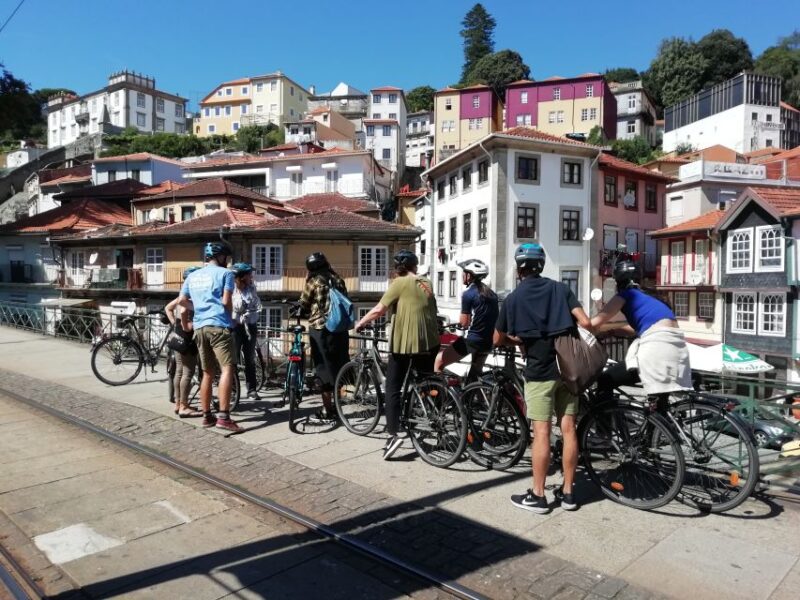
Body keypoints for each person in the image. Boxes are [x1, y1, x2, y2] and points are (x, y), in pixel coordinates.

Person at [495, 243, 591, 514]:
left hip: (539, 373)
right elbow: (584, 321)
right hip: (568, 370)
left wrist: (519, 340)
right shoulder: (562, 290)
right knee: (569, 428)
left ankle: (538, 496)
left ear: (519, 268)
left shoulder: (513, 299)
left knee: (542, 433)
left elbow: (497, 338)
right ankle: (569, 493)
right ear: (540, 266)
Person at [355, 250, 439, 460]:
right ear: (414, 266)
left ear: (398, 268)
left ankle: (393, 435)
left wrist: (360, 323)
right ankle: (438, 423)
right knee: (427, 384)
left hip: (405, 344)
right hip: (429, 342)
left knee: (392, 388)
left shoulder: (399, 283)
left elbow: (379, 309)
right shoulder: (426, 282)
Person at [591, 255, 692, 401]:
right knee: (659, 408)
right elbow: (645, 327)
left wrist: (574, 326)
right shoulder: (653, 298)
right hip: (677, 352)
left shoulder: (626, 295)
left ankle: (608, 422)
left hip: (656, 351)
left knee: (606, 379)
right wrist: (612, 332)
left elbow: (595, 322)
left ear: (618, 282)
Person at [177, 240, 242, 433]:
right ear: (221, 257)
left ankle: (207, 416)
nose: (227, 261)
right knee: (227, 369)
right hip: (218, 326)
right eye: (226, 257)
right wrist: (230, 319)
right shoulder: (226, 274)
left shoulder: (193, 276)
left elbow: (182, 301)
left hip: (199, 327)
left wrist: (199, 307)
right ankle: (224, 417)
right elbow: (226, 300)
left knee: (207, 372)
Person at [297, 252, 351, 422]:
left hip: (321, 330)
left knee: (323, 369)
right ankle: (338, 407)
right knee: (338, 367)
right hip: (340, 329)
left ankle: (327, 411)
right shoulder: (338, 280)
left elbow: (304, 303)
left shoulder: (314, 282)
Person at [435, 258, 498, 383]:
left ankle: (440, 397)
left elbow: (464, 323)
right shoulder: (492, 294)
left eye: (464, 273)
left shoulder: (468, 294)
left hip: (473, 341)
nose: (462, 276)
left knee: (439, 361)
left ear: (469, 275)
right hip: (488, 342)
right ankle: (472, 399)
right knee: (475, 375)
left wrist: (458, 323)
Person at [165, 266, 203, 418]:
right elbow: (182, 310)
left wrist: (175, 324)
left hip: (177, 336)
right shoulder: (191, 294)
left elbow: (168, 308)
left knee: (179, 371)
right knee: (188, 372)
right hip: (187, 337)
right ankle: (184, 406)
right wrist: (187, 326)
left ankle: (178, 403)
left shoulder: (183, 292)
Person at [231, 262, 262, 401]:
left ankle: (252, 390)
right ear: (241, 276)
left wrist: (249, 313)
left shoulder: (251, 288)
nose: (251, 276)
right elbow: (228, 307)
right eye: (249, 274)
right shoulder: (230, 289)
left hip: (250, 325)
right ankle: (233, 390)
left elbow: (256, 305)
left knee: (249, 359)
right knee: (233, 359)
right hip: (234, 327)